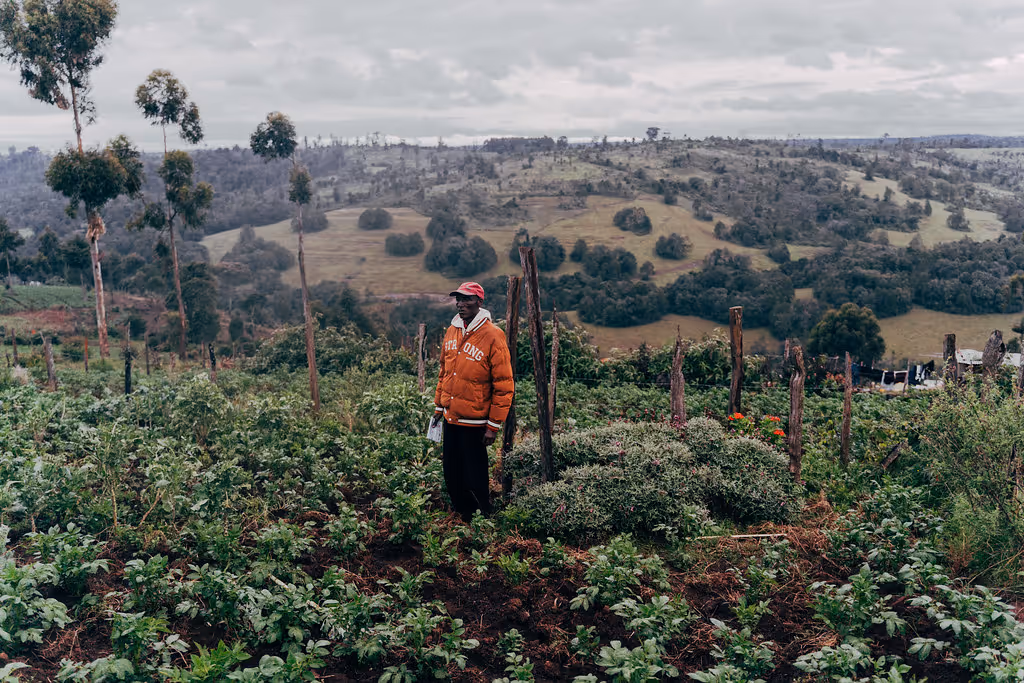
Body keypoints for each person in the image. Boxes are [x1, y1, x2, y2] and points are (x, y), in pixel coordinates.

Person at [431, 282, 514, 521]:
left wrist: (493, 425)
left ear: (480, 302)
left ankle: (481, 517)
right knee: (452, 469)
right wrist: (439, 405)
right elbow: (444, 372)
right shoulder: (452, 331)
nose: (461, 304)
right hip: (451, 416)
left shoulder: (493, 336)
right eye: (458, 299)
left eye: (467, 299)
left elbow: (504, 384)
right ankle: (460, 514)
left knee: (474, 471)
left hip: (475, 421)